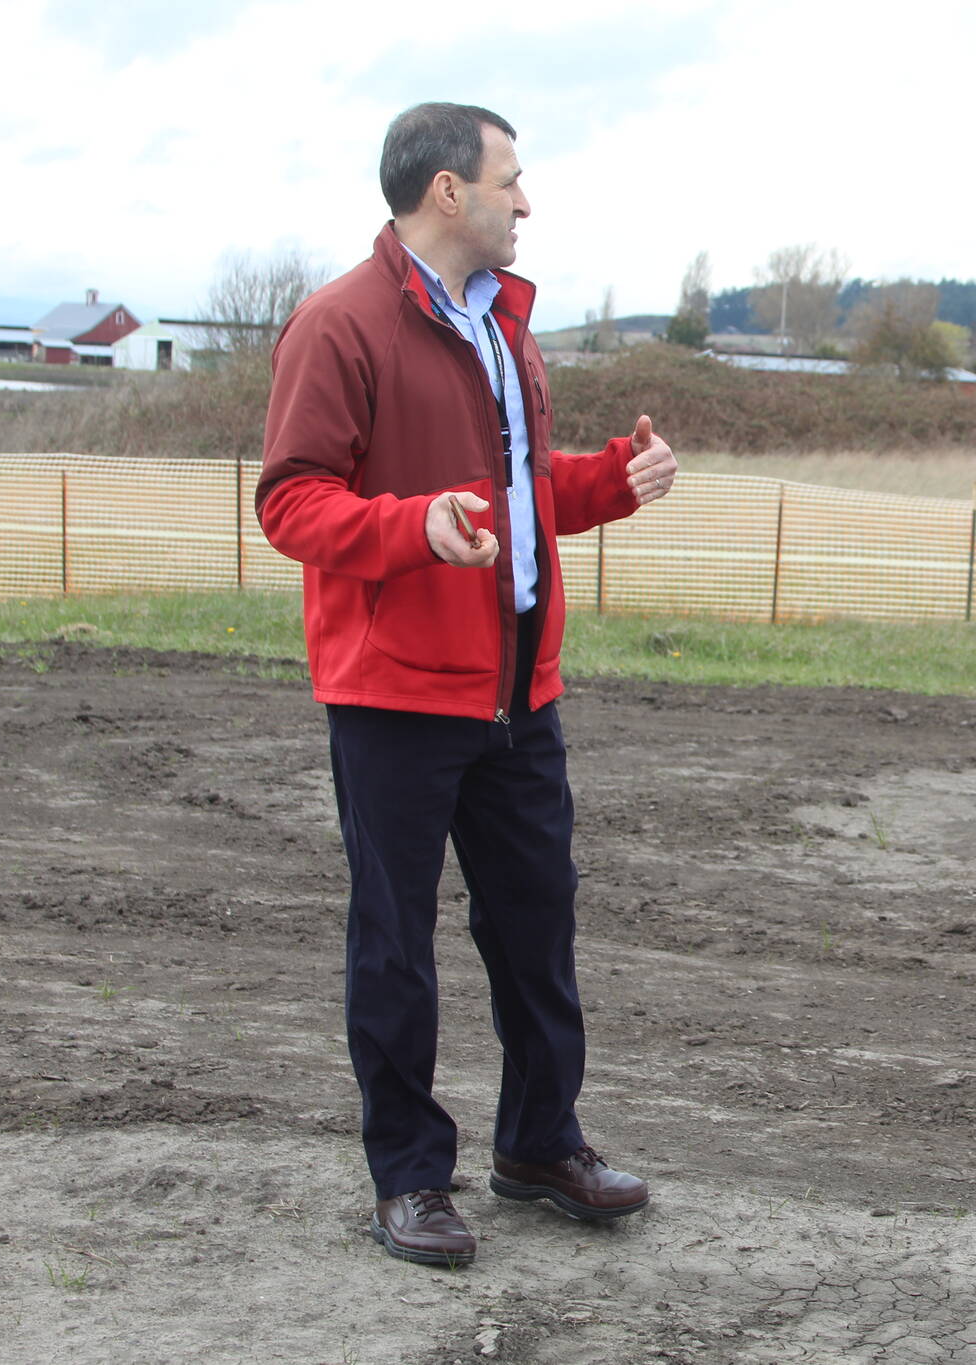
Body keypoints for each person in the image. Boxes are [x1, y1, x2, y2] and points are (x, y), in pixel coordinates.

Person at [256, 101, 678, 1267]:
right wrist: (410, 527)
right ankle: (408, 1178)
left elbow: (520, 483)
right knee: (394, 944)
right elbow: (290, 500)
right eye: (511, 180)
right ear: (449, 191)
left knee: (538, 924)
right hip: (393, 692)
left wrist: (611, 482)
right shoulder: (338, 326)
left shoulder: (506, 326)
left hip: (518, 692)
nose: (525, 201)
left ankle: (539, 1144)